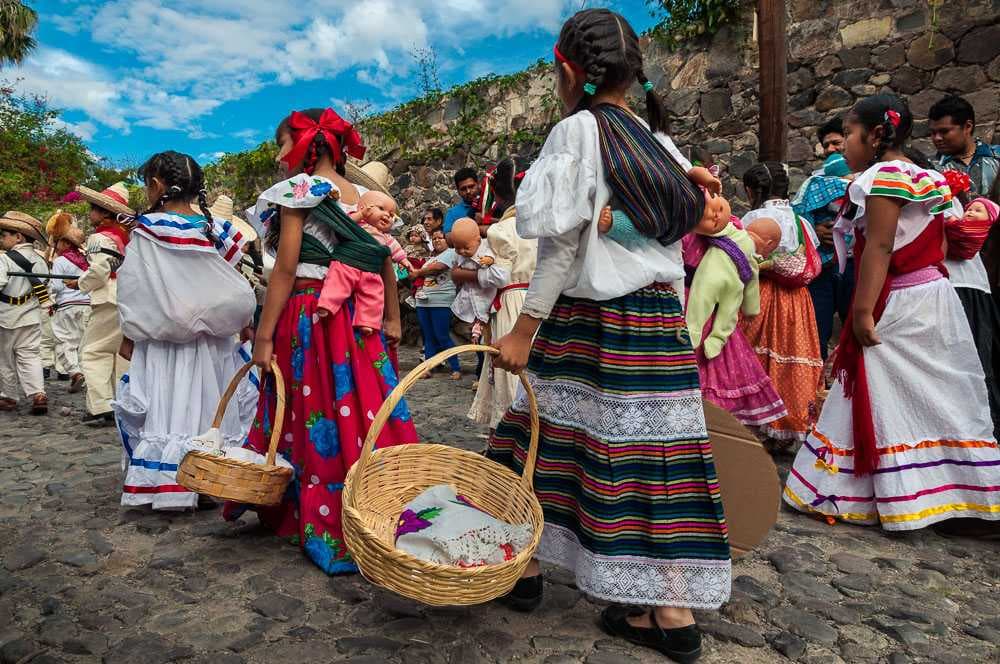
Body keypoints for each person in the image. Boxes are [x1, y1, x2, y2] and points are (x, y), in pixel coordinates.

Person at [488, 10, 729, 661]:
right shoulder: (661, 144)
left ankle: (523, 568)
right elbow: (680, 239)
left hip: (590, 324)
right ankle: (671, 613)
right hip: (656, 322)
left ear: (568, 71)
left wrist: (523, 330)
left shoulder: (575, 134)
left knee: (529, 439)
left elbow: (560, 248)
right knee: (655, 463)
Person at [784, 94, 1000, 532]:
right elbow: (939, 247)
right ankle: (956, 491)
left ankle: (872, 490)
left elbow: (879, 247)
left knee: (889, 393)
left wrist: (861, 311)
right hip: (935, 296)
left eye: (847, 134)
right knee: (938, 393)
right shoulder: (929, 178)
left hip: (899, 300)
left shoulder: (883, 178)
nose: (843, 143)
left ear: (876, 135)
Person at [223, 107, 418, 574]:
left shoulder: (300, 192)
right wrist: (391, 315)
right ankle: (375, 506)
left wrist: (264, 335)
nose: (278, 154)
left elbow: (286, 269)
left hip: (312, 313)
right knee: (357, 406)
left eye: (282, 143)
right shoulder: (360, 195)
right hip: (356, 319)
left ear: (308, 145)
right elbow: (380, 258)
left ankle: (320, 512)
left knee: (312, 409)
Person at [113, 151, 256, 510]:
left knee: (170, 402)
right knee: (212, 403)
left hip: (164, 340)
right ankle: (211, 473)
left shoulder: (146, 230)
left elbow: (136, 288)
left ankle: (172, 476)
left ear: (157, 185)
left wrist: (129, 333)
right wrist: (246, 323)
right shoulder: (219, 231)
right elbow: (233, 281)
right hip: (214, 340)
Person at [739, 162, 824, 445]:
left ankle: (755, 424)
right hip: (797, 301)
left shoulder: (755, 217)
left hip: (763, 293)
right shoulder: (801, 222)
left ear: (752, 191)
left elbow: (745, 256)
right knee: (788, 358)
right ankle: (787, 424)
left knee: (755, 355)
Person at [469, 157, 538, 428]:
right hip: (537, 300)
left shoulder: (501, 231)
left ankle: (511, 427)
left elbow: (497, 275)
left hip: (510, 300)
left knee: (509, 367)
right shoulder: (540, 228)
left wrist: (476, 273)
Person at [74, 182, 134, 426]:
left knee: (92, 351)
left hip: (107, 297)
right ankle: (121, 401)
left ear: (103, 212)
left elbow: (100, 270)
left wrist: (80, 283)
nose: (90, 213)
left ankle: (100, 405)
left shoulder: (99, 237)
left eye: (93, 209)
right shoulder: (126, 236)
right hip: (126, 297)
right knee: (118, 353)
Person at [943, 196, 1000, 438]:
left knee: (978, 360)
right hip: (959, 287)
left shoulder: (962, 226)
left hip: (972, 292)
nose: (971, 213)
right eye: (971, 209)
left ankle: (987, 426)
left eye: (979, 210)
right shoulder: (950, 211)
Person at [795, 151, 855, 360]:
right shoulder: (817, 185)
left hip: (854, 265)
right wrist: (815, 230)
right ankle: (815, 380)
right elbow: (802, 215)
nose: (830, 147)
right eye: (826, 144)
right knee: (817, 327)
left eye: (837, 143)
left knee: (855, 327)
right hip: (824, 267)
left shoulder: (868, 181)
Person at [0, 211, 49, 415]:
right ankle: (37, 393)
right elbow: (45, 284)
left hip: (6, 317)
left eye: (4, 235)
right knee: (30, 356)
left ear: (18, 237)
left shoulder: (4, 260)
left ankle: (9, 396)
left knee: (5, 359)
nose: (1, 239)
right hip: (30, 315)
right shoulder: (40, 261)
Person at [46, 213, 89, 393]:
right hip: (87, 305)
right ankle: (84, 375)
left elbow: (55, 286)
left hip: (67, 306)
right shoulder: (87, 261)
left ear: (65, 243)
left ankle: (75, 373)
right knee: (83, 343)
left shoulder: (61, 261)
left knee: (65, 342)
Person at [411, 229, 463, 380]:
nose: (436, 241)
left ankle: (456, 367)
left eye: (440, 238)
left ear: (448, 240)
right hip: (424, 301)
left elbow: (439, 268)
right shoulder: (431, 258)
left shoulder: (451, 253)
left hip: (441, 300)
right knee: (428, 337)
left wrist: (418, 272)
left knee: (442, 335)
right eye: (433, 239)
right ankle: (427, 368)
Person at [930, 95, 1000, 197]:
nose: (937, 138)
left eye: (944, 131)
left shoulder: (996, 158)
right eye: (932, 133)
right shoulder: (930, 168)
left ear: (968, 126)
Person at [448, 217, 504, 344]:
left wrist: (489, 260)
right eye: (458, 248)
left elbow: (495, 269)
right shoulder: (459, 253)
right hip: (467, 296)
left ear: (478, 241)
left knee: (484, 326)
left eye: (466, 248)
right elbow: (455, 269)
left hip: (485, 296)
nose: (462, 251)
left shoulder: (486, 248)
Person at [443, 168, 480, 234]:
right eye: (463, 189)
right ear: (458, 191)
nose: (468, 191)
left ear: (478, 184)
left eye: (471, 186)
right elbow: (448, 237)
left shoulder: (491, 204)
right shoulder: (452, 213)